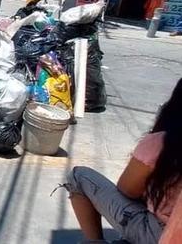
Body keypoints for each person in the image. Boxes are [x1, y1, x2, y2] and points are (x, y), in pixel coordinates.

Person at [64, 77, 182, 243]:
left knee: (78, 177)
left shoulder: (162, 143)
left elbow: (127, 189)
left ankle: (95, 241)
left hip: (158, 233)